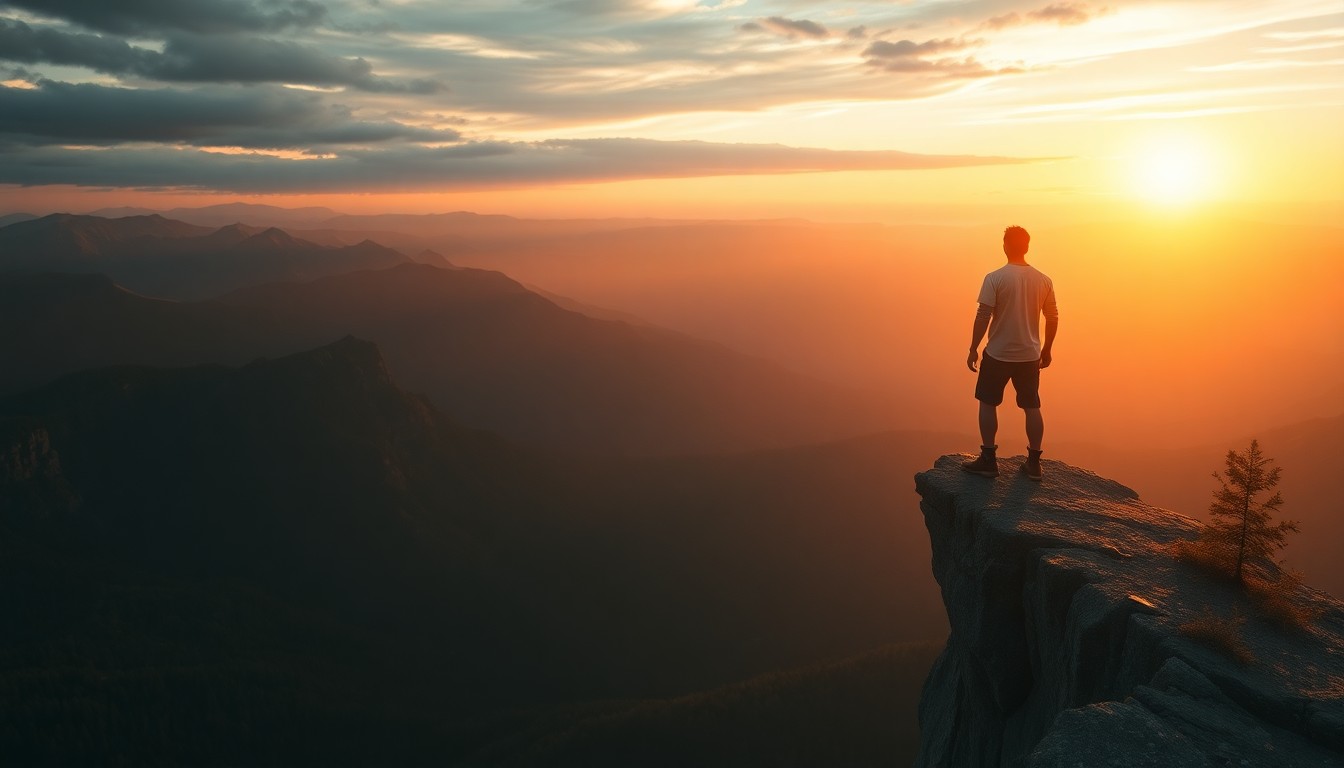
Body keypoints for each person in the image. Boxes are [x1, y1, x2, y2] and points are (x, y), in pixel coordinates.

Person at [961, 225, 1058, 481]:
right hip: (1029, 354)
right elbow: (1052, 316)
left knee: (988, 402)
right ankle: (1034, 462)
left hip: (998, 353)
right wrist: (1047, 349)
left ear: (1005, 246)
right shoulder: (1043, 280)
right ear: (1027, 247)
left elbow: (983, 315)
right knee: (1032, 405)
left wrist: (973, 348)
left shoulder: (995, 278)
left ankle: (989, 460)